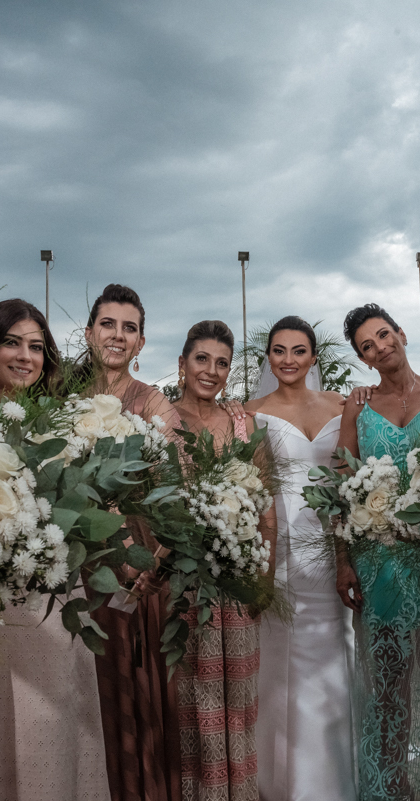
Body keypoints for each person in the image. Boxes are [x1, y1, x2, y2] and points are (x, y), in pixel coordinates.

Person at [0, 299, 111, 801]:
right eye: (12, 342)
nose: (25, 356)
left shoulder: (62, 426)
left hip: (51, 601)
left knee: (51, 729)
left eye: (35, 346)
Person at [334, 303, 420, 801]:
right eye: (368, 344)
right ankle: (389, 790)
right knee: (388, 692)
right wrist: (344, 560)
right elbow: (340, 486)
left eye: (384, 335)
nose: (381, 347)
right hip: (380, 561)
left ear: (402, 333)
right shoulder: (357, 408)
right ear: (363, 358)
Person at [245, 315, 357, 801]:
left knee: (335, 658)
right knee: (278, 663)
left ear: (314, 357)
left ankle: (334, 783)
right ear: (267, 358)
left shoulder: (345, 405)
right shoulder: (249, 412)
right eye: (278, 350)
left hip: (334, 550)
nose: (288, 360)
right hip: (281, 553)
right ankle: (281, 785)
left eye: (298, 350)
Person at [80, 283, 183, 801]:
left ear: (141, 342)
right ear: (89, 332)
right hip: (76, 570)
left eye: (129, 327)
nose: (118, 336)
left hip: (135, 574)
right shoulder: (59, 401)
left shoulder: (153, 404)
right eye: (108, 324)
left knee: (136, 700)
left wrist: (153, 565)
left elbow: (177, 490)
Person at [170, 320, 272, 801]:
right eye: (202, 359)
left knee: (240, 707)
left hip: (237, 585)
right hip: (184, 588)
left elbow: (265, 505)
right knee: (194, 710)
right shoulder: (161, 422)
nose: (211, 371)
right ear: (183, 363)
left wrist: (263, 582)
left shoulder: (242, 424)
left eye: (222, 362)